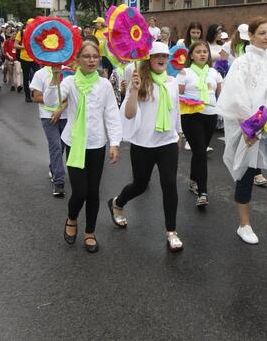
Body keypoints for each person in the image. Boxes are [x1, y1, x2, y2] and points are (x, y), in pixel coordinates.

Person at [216, 16, 267, 251]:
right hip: (251, 129)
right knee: (247, 175)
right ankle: (244, 225)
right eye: (262, 33)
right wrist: (248, 128)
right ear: (250, 36)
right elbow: (236, 97)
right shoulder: (243, 62)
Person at [46, 40, 122, 253]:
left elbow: (111, 114)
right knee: (79, 191)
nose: (91, 60)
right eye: (86, 56)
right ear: (77, 60)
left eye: (95, 56)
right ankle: (72, 219)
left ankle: (90, 232)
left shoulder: (104, 84)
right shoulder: (70, 83)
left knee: (93, 192)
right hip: (74, 142)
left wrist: (114, 143)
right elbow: (51, 100)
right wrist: (55, 77)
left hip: (97, 143)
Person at [108, 42, 184, 252]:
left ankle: (172, 231)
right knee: (140, 185)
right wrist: (133, 89)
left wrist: (178, 133)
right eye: (157, 55)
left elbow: (176, 110)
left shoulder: (172, 82)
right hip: (143, 143)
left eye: (165, 56)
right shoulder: (140, 81)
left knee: (169, 185)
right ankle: (117, 203)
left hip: (167, 141)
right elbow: (130, 114)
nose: (162, 59)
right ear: (148, 59)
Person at [177, 41, 222, 207]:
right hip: (191, 116)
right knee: (201, 153)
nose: (202, 54)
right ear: (191, 55)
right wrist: (189, 101)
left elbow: (220, 96)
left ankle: (193, 180)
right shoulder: (184, 73)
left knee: (200, 151)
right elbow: (176, 97)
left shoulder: (215, 73)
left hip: (210, 116)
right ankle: (203, 192)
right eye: (198, 52)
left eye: (205, 52)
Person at [31, 65, 68, 197]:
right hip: (47, 116)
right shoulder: (40, 74)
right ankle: (59, 182)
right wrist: (52, 100)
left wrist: (60, 109)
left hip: (65, 115)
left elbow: (72, 97)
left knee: (62, 145)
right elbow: (36, 97)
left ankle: (54, 167)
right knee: (56, 145)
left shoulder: (68, 71)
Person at [14, 20, 36, 102]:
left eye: (33, 25)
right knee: (26, 77)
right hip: (24, 58)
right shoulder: (21, 33)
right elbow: (15, 45)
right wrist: (23, 47)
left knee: (36, 76)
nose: (31, 26)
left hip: (35, 58)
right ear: (26, 25)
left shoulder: (37, 33)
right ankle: (27, 96)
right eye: (29, 25)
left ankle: (34, 92)